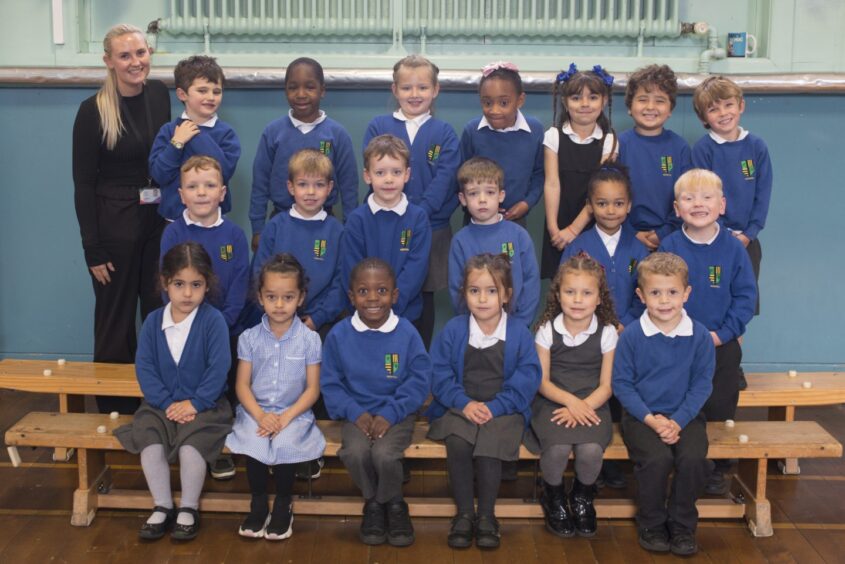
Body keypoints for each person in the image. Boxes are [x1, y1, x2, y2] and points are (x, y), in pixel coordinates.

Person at [72, 23, 171, 414]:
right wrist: (92, 249)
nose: (136, 62)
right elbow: (82, 185)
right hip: (113, 224)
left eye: (141, 53)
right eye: (126, 55)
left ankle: (156, 397)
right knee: (115, 316)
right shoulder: (92, 111)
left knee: (157, 307)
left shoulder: (160, 94)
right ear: (109, 61)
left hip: (157, 219)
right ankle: (115, 406)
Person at [114, 242, 232, 541]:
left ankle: (189, 508)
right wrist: (167, 403)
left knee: (193, 446)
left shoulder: (213, 321)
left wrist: (195, 402)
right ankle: (163, 505)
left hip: (206, 406)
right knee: (150, 442)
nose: (188, 293)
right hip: (159, 406)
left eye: (196, 284)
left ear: (207, 285)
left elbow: (219, 369)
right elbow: (146, 368)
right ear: (166, 283)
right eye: (179, 284)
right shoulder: (154, 322)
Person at [427, 253, 541, 549]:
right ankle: (464, 514)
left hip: (504, 409)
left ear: (506, 295)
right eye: (474, 291)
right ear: (464, 294)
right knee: (459, 442)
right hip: (460, 406)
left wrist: (495, 407)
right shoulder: (454, 330)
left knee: (491, 445)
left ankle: (487, 516)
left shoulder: (518, 333)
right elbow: (439, 374)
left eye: (492, 291)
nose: (482, 299)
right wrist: (463, 403)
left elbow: (528, 377)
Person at [320, 258, 432, 547]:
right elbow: (331, 384)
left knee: (384, 455)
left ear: (394, 295)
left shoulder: (406, 332)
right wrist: (356, 414)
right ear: (352, 296)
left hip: (396, 414)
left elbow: (419, 380)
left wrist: (391, 413)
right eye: (363, 291)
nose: (372, 299)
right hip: (355, 414)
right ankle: (374, 502)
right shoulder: (339, 335)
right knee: (356, 453)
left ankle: (394, 504)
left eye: (381, 291)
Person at [659, 169, 756, 495]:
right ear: (676, 208)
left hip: (720, 344)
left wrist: (723, 334)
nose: (697, 204)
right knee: (682, 403)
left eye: (706, 197)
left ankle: (716, 469)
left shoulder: (733, 248)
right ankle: (687, 462)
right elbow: (656, 291)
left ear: (722, 204)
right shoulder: (669, 246)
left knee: (719, 406)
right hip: (678, 344)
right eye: (688, 198)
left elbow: (745, 297)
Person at [612, 252, 715, 556]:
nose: (664, 301)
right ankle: (652, 522)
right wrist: (651, 420)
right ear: (641, 296)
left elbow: (701, 385)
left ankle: (682, 524)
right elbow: (622, 385)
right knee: (657, 460)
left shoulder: (699, 337)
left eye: (672, 292)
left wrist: (678, 421)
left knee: (693, 459)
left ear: (687, 294)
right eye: (655, 293)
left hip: (686, 416)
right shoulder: (631, 336)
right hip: (641, 416)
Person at [159, 155, 249, 480]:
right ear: (181, 194)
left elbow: (241, 283)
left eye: (209, 185)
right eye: (193, 187)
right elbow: (166, 281)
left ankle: (219, 447)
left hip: (227, 328)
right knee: (191, 389)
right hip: (185, 331)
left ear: (222, 193)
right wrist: (189, 328)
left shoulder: (235, 235)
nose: (201, 193)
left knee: (223, 391)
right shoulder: (173, 234)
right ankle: (187, 442)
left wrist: (220, 325)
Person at [363, 54, 461, 348]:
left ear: (435, 90)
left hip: (431, 228)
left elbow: (445, 179)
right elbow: (374, 169)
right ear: (395, 90)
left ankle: (417, 361)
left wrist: (417, 214)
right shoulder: (378, 125)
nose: (414, 95)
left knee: (422, 295)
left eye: (422, 88)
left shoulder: (444, 134)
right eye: (407, 88)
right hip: (384, 224)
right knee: (379, 287)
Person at [226, 254, 325, 540]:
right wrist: (261, 416)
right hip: (256, 410)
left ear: (301, 297)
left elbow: (312, 389)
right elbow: (242, 385)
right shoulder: (249, 338)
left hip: (295, 412)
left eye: (288, 297)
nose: (279, 305)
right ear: (260, 297)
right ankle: (258, 503)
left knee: (284, 442)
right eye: (271, 297)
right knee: (254, 439)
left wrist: (285, 417)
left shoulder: (310, 340)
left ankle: (283, 503)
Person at [561, 163, 648, 489]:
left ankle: (615, 463)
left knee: (621, 394)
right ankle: (591, 465)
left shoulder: (638, 248)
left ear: (628, 205)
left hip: (626, 337)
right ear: (590, 205)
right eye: (602, 203)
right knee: (592, 393)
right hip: (589, 338)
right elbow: (566, 290)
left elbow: (646, 294)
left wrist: (624, 324)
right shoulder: (578, 247)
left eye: (618, 203)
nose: (610, 210)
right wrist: (597, 323)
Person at [529, 255, 617, 538]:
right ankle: (553, 497)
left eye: (586, 293)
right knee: (556, 448)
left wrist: (584, 405)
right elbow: (541, 382)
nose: (578, 300)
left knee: (590, 450)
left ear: (599, 298)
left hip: (594, 404)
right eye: (570, 291)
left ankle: (582, 498)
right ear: (558, 294)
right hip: (553, 402)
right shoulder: (546, 330)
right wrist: (571, 403)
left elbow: (607, 385)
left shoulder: (607, 333)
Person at [250, 57, 358, 250]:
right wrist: (258, 229)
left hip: (324, 222)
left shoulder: (337, 135)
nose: (301, 94)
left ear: (322, 90)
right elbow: (260, 183)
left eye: (309, 87)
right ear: (285, 91)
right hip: (281, 219)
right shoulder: (273, 133)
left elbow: (349, 187)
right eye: (293, 87)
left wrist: (350, 229)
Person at [692, 75, 772, 317]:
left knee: (741, 306)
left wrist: (749, 234)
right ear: (704, 117)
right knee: (712, 301)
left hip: (748, 242)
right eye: (713, 109)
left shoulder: (757, 146)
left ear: (741, 106)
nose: (723, 113)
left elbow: (763, 194)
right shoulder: (703, 150)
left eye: (728, 105)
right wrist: (723, 231)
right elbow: (701, 197)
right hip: (713, 239)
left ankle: (734, 354)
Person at [250, 149, 346, 337]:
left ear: (329, 187)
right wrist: (278, 311)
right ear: (291, 187)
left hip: (320, 323)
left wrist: (317, 318)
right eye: (303, 184)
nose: (310, 192)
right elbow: (258, 273)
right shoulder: (275, 227)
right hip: (275, 317)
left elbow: (341, 282)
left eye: (319, 185)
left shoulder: (337, 231)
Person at [340, 135, 432, 328]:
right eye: (380, 173)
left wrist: (390, 309)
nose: (389, 179)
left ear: (407, 175)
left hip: (406, 316)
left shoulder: (418, 218)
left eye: (396, 172)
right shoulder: (357, 220)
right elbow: (352, 269)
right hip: (364, 315)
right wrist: (370, 307)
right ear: (367, 176)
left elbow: (416, 269)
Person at [541, 63, 617, 279]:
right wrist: (554, 229)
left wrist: (574, 229)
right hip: (560, 222)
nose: (584, 104)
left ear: (604, 101)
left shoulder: (609, 141)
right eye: (576, 98)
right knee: (561, 283)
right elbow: (552, 183)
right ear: (565, 102)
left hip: (593, 221)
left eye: (592, 97)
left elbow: (600, 192)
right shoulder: (553, 136)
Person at [448, 157, 540, 328]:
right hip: (474, 330)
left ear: (501, 195)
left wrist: (521, 323)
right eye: (473, 193)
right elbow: (456, 288)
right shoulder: (460, 241)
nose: (482, 199)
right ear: (462, 199)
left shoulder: (519, 235)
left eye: (490, 192)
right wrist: (472, 324)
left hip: (516, 325)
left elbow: (531, 282)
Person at [149, 55, 241, 222]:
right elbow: (159, 175)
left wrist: (195, 131)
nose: (211, 97)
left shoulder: (227, 134)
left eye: (217, 91)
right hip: (174, 221)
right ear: (182, 94)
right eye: (202, 90)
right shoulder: (169, 131)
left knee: (223, 250)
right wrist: (177, 143)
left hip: (215, 221)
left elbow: (224, 172)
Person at [459, 61, 545, 225]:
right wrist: (478, 205)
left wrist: (527, 203)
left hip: (515, 219)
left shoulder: (535, 130)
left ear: (520, 100)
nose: (495, 110)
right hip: (476, 219)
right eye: (487, 103)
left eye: (504, 103)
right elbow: (459, 176)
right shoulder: (472, 131)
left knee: (510, 251)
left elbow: (539, 174)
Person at [618, 64, 692, 250]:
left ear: (670, 109)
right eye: (643, 99)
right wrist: (630, 231)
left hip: (671, 238)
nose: (650, 107)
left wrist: (663, 233)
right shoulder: (618, 145)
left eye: (659, 101)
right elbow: (608, 193)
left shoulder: (680, 147)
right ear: (629, 106)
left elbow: (687, 196)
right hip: (624, 235)